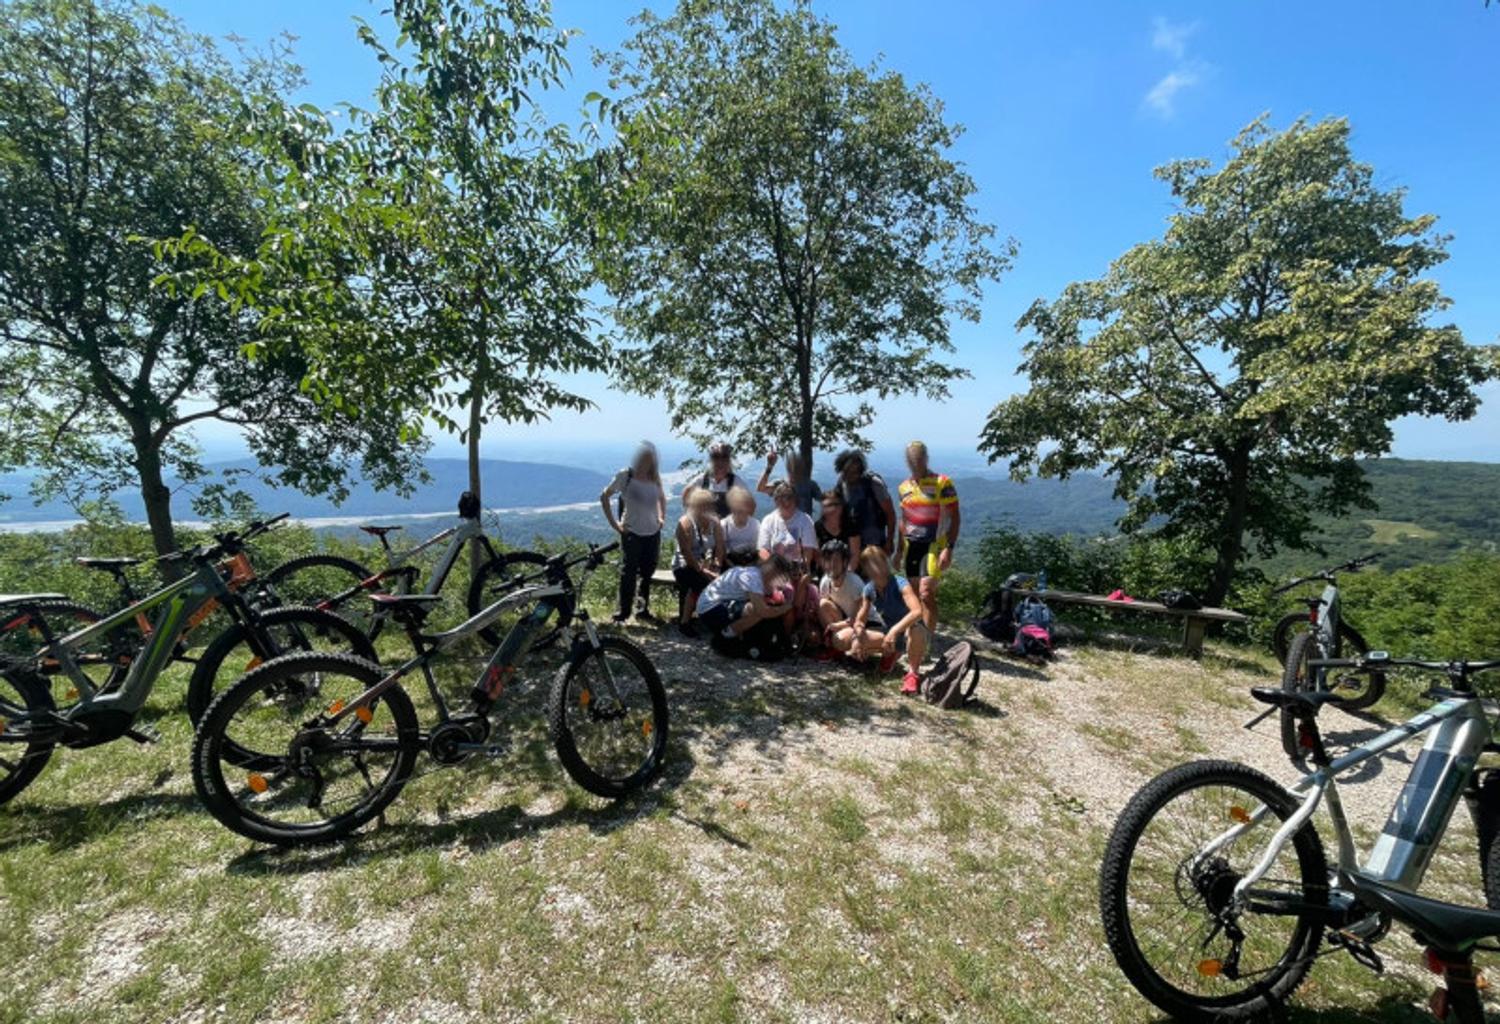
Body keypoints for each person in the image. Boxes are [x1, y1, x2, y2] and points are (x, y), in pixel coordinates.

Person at [599, 441, 667, 624]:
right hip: (632, 533)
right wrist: (615, 525)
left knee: (647, 572)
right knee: (628, 573)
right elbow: (605, 496)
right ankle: (624, 612)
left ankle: (642, 610)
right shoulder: (625, 475)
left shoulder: (654, 476)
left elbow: (661, 497)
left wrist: (662, 518)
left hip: (652, 532)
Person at [897, 440, 960, 635]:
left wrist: (949, 547)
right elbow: (903, 520)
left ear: (926, 458)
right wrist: (898, 550)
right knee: (915, 596)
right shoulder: (904, 487)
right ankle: (916, 637)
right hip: (911, 546)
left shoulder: (942, 482)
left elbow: (955, 516)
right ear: (907, 461)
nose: (916, 463)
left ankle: (926, 641)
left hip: (934, 545)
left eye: (919, 459)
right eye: (912, 460)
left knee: (926, 593)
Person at [848, 546, 928, 695]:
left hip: (907, 632)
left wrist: (894, 631)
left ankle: (912, 674)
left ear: (885, 563)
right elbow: (860, 619)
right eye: (870, 565)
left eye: (878, 563)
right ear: (865, 568)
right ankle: (889, 655)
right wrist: (859, 635)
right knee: (849, 640)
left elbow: (917, 611)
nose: (875, 568)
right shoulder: (869, 590)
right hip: (888, 635)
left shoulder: (900, 583)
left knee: (916, 628)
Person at [695, 553, 794, 640]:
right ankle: (726, 636)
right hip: (710, 609)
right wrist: (786, 608)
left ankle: (737, 634)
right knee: (756, 610)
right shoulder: (753, 578)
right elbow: (762, 611)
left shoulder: (755, 572)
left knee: (761, 606)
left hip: (713, 604)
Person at [671, 486, 725, 637]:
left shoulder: (715, 522)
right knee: (700, 584)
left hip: (704, 563)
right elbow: (686, 553)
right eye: (702, 506)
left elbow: (720, 547)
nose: (706, 509)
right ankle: (685, 623)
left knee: (718, 582)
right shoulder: (685, 523)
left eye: (709, 505)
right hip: (684, 565)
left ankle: (710, 618)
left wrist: (717, 565)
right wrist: (706, 572)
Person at [834, 449, 897, 554]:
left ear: (860, 471)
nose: (850, 476)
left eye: (854, 473)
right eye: (846, 472)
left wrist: (889, 540)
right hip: (851, 543)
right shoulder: (841, 484)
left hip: (874, 543)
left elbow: (890, 514)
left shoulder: (874, 484)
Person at [816, 539, 865, 660]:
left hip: (864, 623)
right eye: (828, 560)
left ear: (845, 562)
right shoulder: (825, 581)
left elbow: (862, 614)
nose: (832, 564)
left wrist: (839, 625)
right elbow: (825, 609)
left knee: (841, 639)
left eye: (836, 560)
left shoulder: (854, 583)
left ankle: (845, 645)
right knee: (822, 604)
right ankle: (834, 647)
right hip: (845, 619)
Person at [758, 481, 818, 568]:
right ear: (776, 501)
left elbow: (808, 551)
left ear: (796, 500)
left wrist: (801, 569)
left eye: (789, 497)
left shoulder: (805, 520)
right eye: (781, 497)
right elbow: (763, 550)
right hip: (774, 569)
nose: (786, 501)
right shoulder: (768, 520)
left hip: (797, 569)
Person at [756, 449, 822, 515]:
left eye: (797, 468)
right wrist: (769, 466)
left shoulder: (810, 485)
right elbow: (761, 488)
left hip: (804, 524)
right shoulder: (781, 484)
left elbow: (824, 500)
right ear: (788, 469)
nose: (795, 472)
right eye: (792, 469)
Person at [814, 490, 859, 569]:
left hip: (848, 570)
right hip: (826, 570)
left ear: (842, 506)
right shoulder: (818, 527)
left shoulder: (851, 525)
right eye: (828, 505)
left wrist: (845, 573)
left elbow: (854, 555)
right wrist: (830, 572)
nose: (833, 508)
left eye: (836, 504)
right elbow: (817, 555)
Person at [699, 442, 745, 518]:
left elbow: (749, 505)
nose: (720, 461)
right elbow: (686, 495)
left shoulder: (736, 481)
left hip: (728, 528)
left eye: (724, 457)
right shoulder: (702, 480)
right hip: (707, 527)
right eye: (716, 457)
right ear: (711, 460)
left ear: (729, 460)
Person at [720, 485, 761, 567]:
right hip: (730, 562)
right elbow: (722, 550)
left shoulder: (755, 524)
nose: (738, 514)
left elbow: (757, 549)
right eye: (735, 510)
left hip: (750, 561)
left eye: (742, 510)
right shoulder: (724, 525)